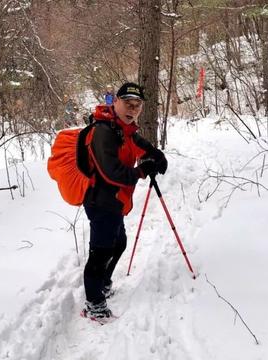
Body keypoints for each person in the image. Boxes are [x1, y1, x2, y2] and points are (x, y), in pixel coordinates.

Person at [81, 82, 168, 321]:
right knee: (101, 252)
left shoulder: (121, 127)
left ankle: (102, 284)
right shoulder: (103, 131)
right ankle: (94, 303)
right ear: (116, 102)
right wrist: (142, 171)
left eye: (137, 105)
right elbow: (111, 172)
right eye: (128, 104)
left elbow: (136, 141)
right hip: (100, 201)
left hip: (115, 201)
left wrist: (154, 154)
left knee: (118, 243)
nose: (132, 109)